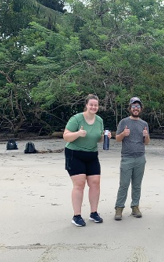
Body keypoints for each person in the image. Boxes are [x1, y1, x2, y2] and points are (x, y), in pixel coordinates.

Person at [62, 94, 110, 227]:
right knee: (79, 184)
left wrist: (105, 137)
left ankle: (94, 213)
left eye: (96, 105)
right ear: (86, 105)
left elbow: (97, 138)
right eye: (91, 104)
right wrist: (77, 133)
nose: (94, 107)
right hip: (74, 154)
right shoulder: (76, 118)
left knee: (95, 183)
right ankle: (76, 215)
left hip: (92, 154)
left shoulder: (99, 120)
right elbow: (66, 136)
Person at [113, 97, 151, 220]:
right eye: (133, 106)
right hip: (127, 158)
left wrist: (146, 136)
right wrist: (123, 134)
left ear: (141, 109)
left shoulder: (144, 124)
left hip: (140, 157)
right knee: (124, 184)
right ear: (130, 108)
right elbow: (117, 139)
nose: (136, 109)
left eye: (138, 107)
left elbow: (147, 142)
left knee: (137, 185)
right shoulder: (124, 122)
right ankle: (119, 208)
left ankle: (135, 206)